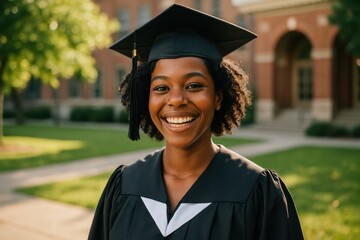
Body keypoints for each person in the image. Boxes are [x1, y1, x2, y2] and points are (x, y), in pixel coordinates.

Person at [88, 4, 303, 240]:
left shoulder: (256, 191)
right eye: (161, 88)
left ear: (218, 97)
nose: (176, 100)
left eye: (194, 85)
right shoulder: (124, 185)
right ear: (145, 96)